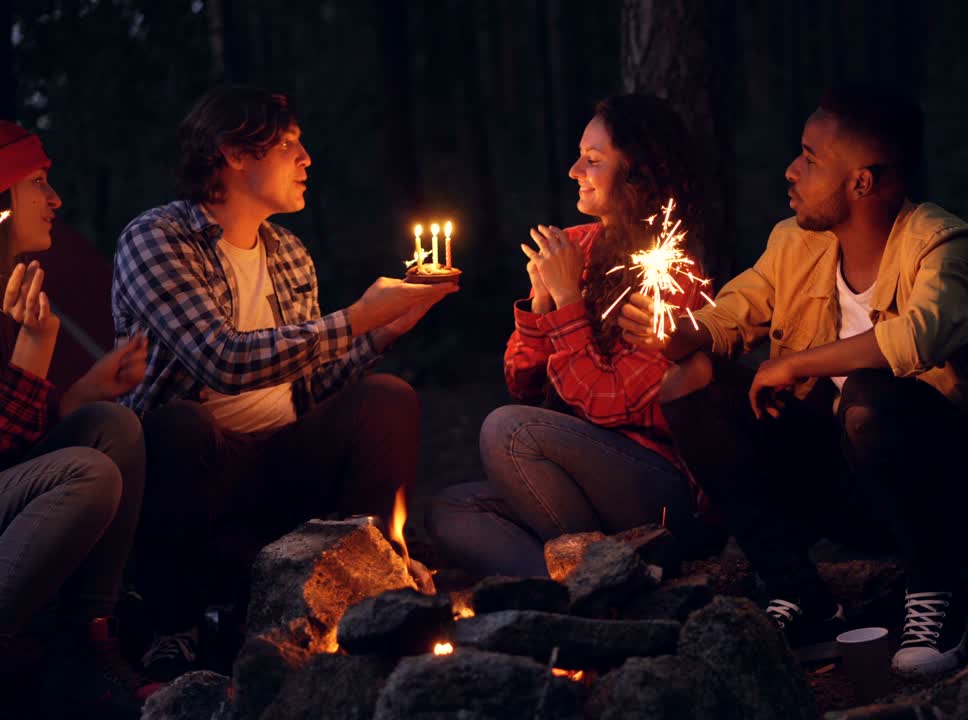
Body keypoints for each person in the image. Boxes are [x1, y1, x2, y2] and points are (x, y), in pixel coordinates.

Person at [620, 84, 968, 676]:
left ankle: (937, 593)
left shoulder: (945, 246)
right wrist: (687, 334)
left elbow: (917, 336)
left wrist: (793, 364)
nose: (791, 171)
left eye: (811, 159)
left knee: (870, 399)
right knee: (692, 381)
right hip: (851, 490)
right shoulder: (796, 242)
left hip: (951, 497)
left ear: (862, 181)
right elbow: (735, 309)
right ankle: (797, 591)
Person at [112, 86, 457, 679]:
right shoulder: (158, 240)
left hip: (282, 460)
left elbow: (309, 384)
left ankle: (364, 591)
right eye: (288, 144)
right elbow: (222, 360)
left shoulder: (289, 254)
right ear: (235, 154)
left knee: (386, 399)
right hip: (198, 476)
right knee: (177, 425)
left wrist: (381, 333)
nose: (307, 159)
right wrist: (355, 318)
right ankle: (175, 625)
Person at [431, 94, 717, 577]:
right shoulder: (577, 244)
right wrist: (542, 303)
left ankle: (609, 571)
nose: (573, 170)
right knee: (452, 510)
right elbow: (524, 385)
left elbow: (609, 404)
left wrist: (567, 303)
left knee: (510, 430)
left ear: (639, 174)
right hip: (570, 472)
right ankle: (577, 585)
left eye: (594, 160)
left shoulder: (673, 275)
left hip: (658, 487)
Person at [0, 121, 162, 712]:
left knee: (114, 427)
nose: (55, 199)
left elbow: (15, 441)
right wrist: (34, 351)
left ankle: (90, 644)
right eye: (38, 183)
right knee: (89, 475)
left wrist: (85, 390)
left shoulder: (13, 282)